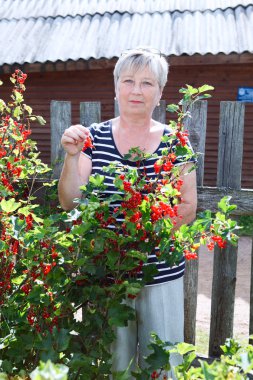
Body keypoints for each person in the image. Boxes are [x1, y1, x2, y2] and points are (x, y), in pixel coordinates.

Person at [58, 47, 197, 379]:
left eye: (147, 83)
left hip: (160, 275)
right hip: (109, 274)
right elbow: (70, 202)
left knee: (163, 366)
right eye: (129, 81)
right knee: (112, 366)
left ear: (160, 93)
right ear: (116, 87)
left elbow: (188, 205)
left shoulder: (176, 142)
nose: (137, 90)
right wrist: (71, 158)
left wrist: (142, 243)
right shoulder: (94, 138)